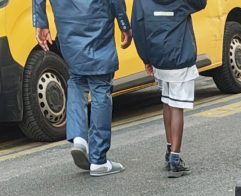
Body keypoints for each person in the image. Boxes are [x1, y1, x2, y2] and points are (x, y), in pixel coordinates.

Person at [32, 0, 132, 176]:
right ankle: (99, 160)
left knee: (77, 81)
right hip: (97, 17)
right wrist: (123, 22)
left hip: (66, 22)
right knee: (101, 85)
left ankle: (79, 139)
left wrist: (40, 21)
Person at [131, 0, 207, 178]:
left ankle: (169, 148)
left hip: (158, 57)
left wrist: (146, 58)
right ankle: (175, 156)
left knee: (167, 102)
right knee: (177, 106)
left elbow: (138, 28)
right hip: (180, 56)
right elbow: (201, 3)